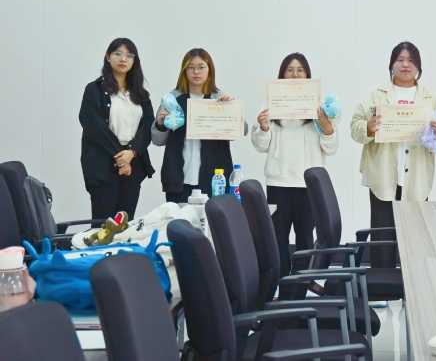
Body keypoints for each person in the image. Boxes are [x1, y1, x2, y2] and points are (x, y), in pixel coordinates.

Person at [351, 42, 436, 268]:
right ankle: (382, 285)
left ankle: (414, 285)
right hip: (382, 176)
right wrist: (368, 127)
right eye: (400, 59)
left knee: (415, 240)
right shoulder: (374, 94)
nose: (405, 64)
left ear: (418, 66)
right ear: (392, 64)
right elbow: (354, 127)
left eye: (411, 60)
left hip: (416, 178)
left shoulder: (430, 97)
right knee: (382, 239)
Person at [251, 53, 337, 277]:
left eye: (300, 70)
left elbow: (331, 148)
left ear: (308, 75)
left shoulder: (320, 107)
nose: (295, 74)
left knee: (305, 237)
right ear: (282, 74)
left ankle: (301, 284)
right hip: (278, 182)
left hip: (307, 184)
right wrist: (263, 128)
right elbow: (260, 146)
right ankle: (281, 283)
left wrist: (327, 128)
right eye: (290, 70)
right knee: (277, 237)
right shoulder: (270, 104)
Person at [151, 48, 246, 203]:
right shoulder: (172, 99)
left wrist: (231, 109)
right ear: (184, 71)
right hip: (179, 178)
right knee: (179, 217)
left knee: (213, 218)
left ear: (210, 70)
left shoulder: (219, 98)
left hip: (215, 177)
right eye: (191, 67)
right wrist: (160, 123)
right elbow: (157, 140)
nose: (196, 72)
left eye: (201, 67)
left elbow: (243, 131)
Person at [79, 38, 154, 220]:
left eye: (129, 55)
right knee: (103, 226)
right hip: (103, 165)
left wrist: (132, 153)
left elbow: (147, 125)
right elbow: (93, 126)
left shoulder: (140, 94)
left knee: (125, 225)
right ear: (108, 57)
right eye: (118, 54)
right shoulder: (94, 90)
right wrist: (121, 158)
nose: (123, 59)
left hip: (133, 164)